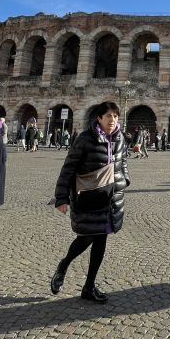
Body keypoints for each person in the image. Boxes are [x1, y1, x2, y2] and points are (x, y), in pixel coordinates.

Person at [51, 101, 130, 303]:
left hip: (110, 198)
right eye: (108, 116)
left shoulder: (120, 137)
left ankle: (89, 286)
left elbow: (123, 162)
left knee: (101, 240)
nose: (112, 120)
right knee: (85, 237)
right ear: (99, 118)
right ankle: (64, 264)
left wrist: (124, 179)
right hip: (88, 196)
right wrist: (61, 197)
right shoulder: (85, 139)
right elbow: (68, 168)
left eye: (115, 116)